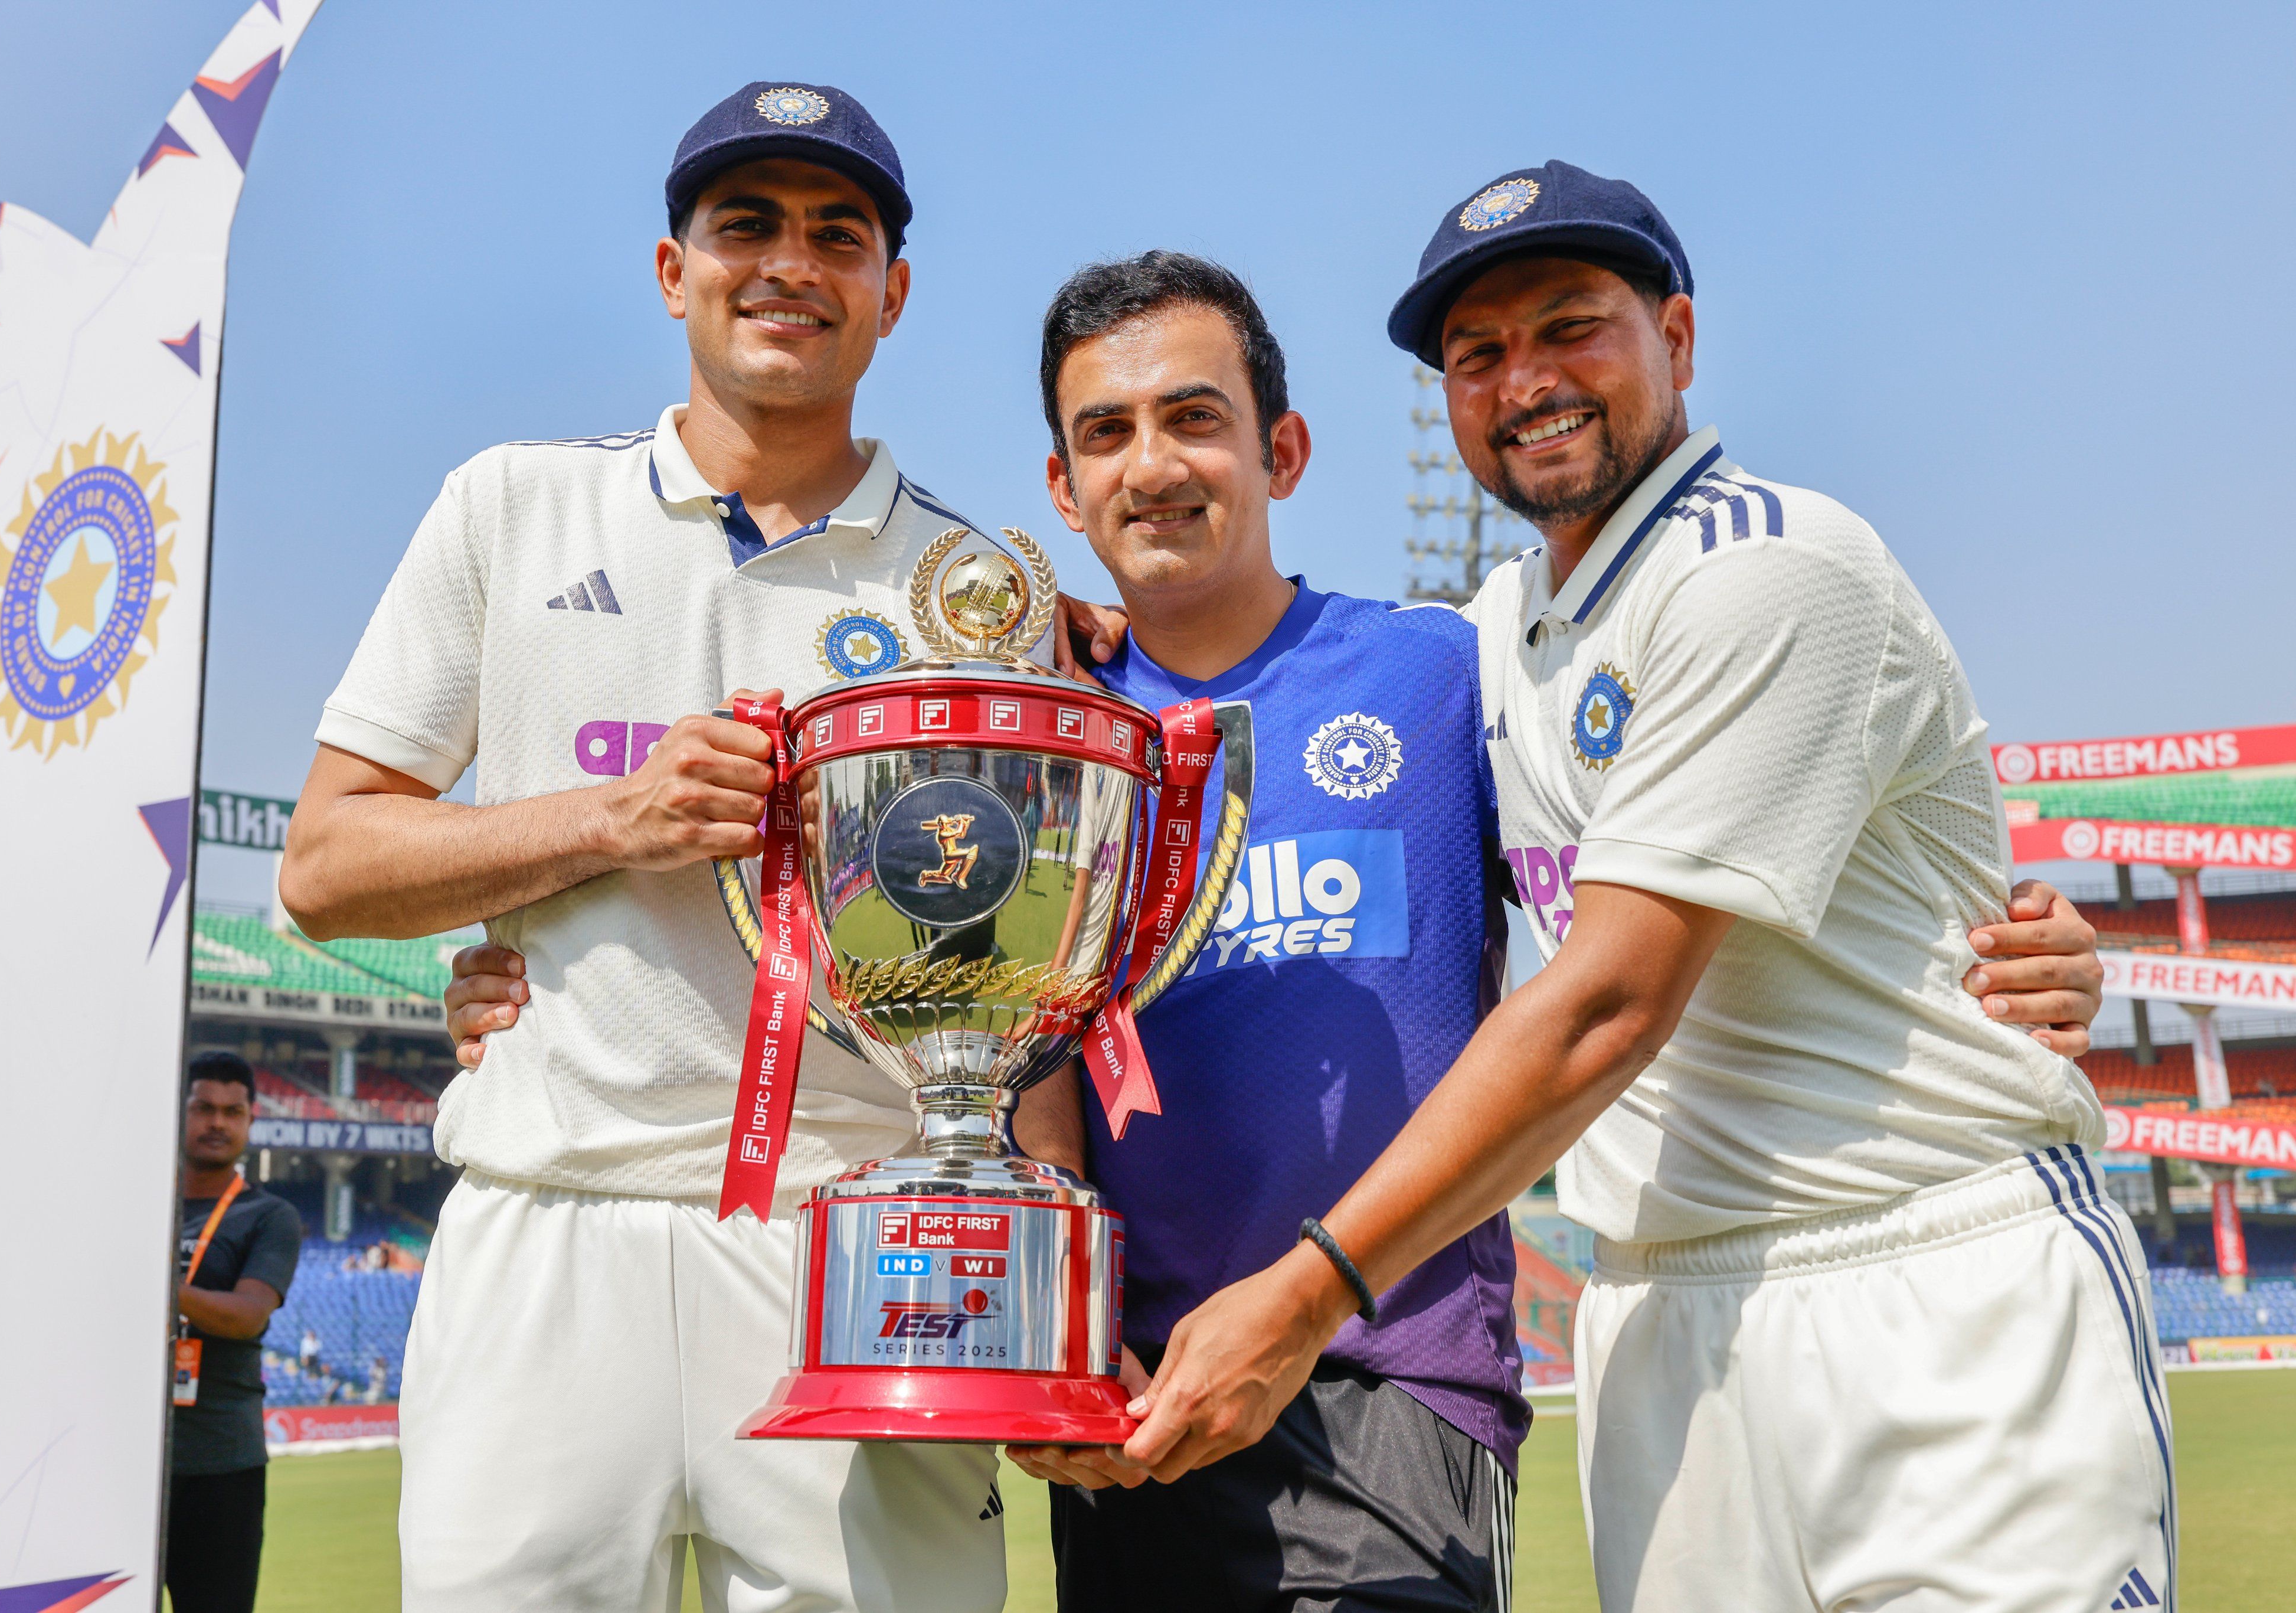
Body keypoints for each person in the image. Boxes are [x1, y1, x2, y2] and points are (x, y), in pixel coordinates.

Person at [446, 248, 2107, 1611]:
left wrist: (2010, 932)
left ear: (1282, 451)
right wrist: (1054, 1317)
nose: (1154, 463)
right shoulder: (1032, 734)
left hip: (1385, 1376)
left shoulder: (1455, 668)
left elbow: (1684, 827)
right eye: (1107, 433)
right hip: (1135, 1397)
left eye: (1195, 417)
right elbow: (1013, 1035)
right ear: (1061, 484)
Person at [1122, 162, 2170, 1612]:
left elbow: (1608, 999)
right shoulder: (1494, 636)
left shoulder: (1771, 563)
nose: (1526, 382)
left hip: (1930, 1273)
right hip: (1659, 1323)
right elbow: (1297, 711)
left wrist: (1305, 1295)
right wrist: (1101, 634)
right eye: (1479, 354)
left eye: (1571, 328)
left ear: (1675, 338)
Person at [279, 81, 1105, 1613]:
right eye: (747, 226)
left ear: (892, 293)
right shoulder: (511, 506)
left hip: (857, 1244)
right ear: (675, 272)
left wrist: (1040, 1262)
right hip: (546, 1219)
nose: (790, 263)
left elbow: (1026, 983)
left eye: (838, 235)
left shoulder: (982, 589)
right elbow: (324, 868)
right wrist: (608, 821)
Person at [168, 1051, 304, 1613]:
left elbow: (248, 1315)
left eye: (233, 1112)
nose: (217, 1123)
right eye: (203, 1108)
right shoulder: (135, 1204)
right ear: (179, 1111)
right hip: (123, 1457)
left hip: (221, 1464)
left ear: (250, 1121)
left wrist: (156, 1285)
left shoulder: (270, 1217)